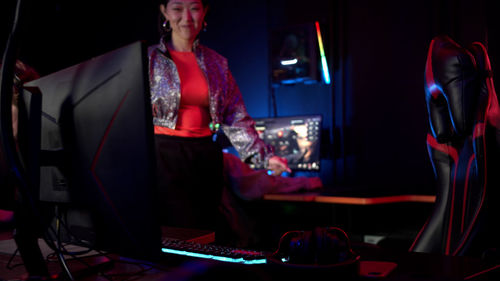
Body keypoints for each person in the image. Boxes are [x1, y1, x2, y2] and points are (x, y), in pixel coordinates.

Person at [149, 0, 290, 231]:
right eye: (177, 8)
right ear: (164, 11)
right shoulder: (148, 59)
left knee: (206, 231)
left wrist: (264, 157)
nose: (186, 17)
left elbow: (235, 116)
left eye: (194, 8)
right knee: (174, 232)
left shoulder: (217, 63)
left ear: (204, 12)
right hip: (163, 156)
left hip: (205, 155)